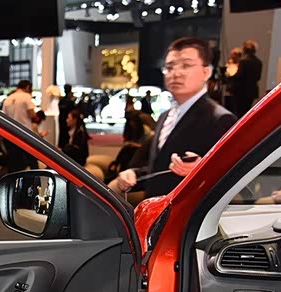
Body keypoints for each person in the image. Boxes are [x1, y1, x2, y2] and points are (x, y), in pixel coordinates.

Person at [113, 37, 237, 199]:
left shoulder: (220, 119)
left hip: (188, 210)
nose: (176, 73)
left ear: (206, 72)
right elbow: (162, 168)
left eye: (186, 65)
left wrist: (202, 172)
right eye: (170, 67)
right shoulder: (165, 116)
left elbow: (232, 177)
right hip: (157, 207)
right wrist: (135, 174)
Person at [2, 79, 36, 171]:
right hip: (25, 133)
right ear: (28, 87)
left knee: (15, 163)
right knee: (32, 160)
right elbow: (31, 114)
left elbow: (4, 116)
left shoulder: (8, 99)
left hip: (10, 134)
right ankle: (35, 178)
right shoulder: (26, 96)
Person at [230, 40, 263, 117]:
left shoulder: (243, 61)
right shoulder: (259, 62)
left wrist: (230, 76)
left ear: (244, 50)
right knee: (246, 111)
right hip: (252, 91)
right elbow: (258, 77)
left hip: (240, 91)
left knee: (238, 112)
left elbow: (239, 76)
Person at [222, 47, 242, 115]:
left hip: (237, 90)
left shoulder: (241, 66)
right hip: (228, 89)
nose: (233, 57)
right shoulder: (228, 65)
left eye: (235, 55)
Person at [57, 84, 76, 148]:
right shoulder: (70, 102)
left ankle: (62, 146)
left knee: (62, 134)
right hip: (68, 121)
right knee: (67, 135)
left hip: (61, 120)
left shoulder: (61, 101)